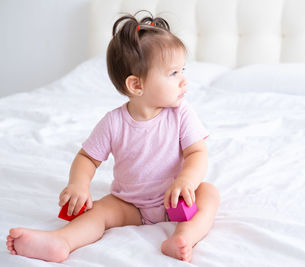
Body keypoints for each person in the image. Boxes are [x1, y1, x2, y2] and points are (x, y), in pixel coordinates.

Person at [6, 11, 220, 263]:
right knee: (99, 211)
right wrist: (79, 184)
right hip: (130, 204)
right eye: (173, 73)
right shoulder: (113, 123)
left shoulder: (181, 114)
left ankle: (184, 237)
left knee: (209, 194)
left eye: (182, 70)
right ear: (136, 85)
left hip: (175, 199)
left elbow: (197, 152)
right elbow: (87, 157)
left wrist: (186, 180)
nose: (184, 81)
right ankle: (62, 241)